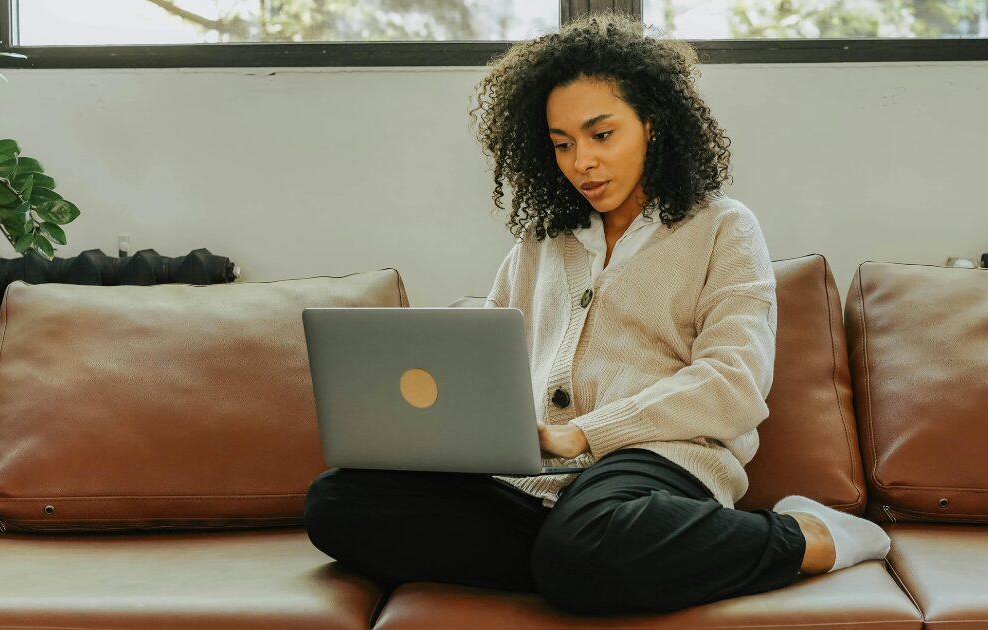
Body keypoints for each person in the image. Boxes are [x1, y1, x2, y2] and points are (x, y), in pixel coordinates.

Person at [303, 11, 891, 616]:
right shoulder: (539, 243)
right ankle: (585, 563)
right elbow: (489, 368)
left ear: (653, 125)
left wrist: (585, 433)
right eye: (562, 144)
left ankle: (808, 538)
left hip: (658, 464)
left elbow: (734, 384)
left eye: (601, 135)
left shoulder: (722, 227)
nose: (581, 161)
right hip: (531, 485)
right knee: (337, 503)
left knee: (589, 540)